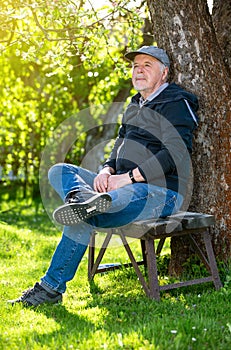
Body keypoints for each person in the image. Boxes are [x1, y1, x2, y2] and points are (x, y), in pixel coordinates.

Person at [8, 46, 199, 306]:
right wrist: (107, 170)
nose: (138, 69)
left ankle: (50, 288)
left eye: (147, 65)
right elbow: (119, 145)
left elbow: (177, 153)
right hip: (117, 186)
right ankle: (81, 198)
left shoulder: (177, 102)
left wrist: (129, 177)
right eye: (135, 66)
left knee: (94, 210)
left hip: (160, 193)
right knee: (60, 171)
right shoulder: (134, 105)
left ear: (164, 73)